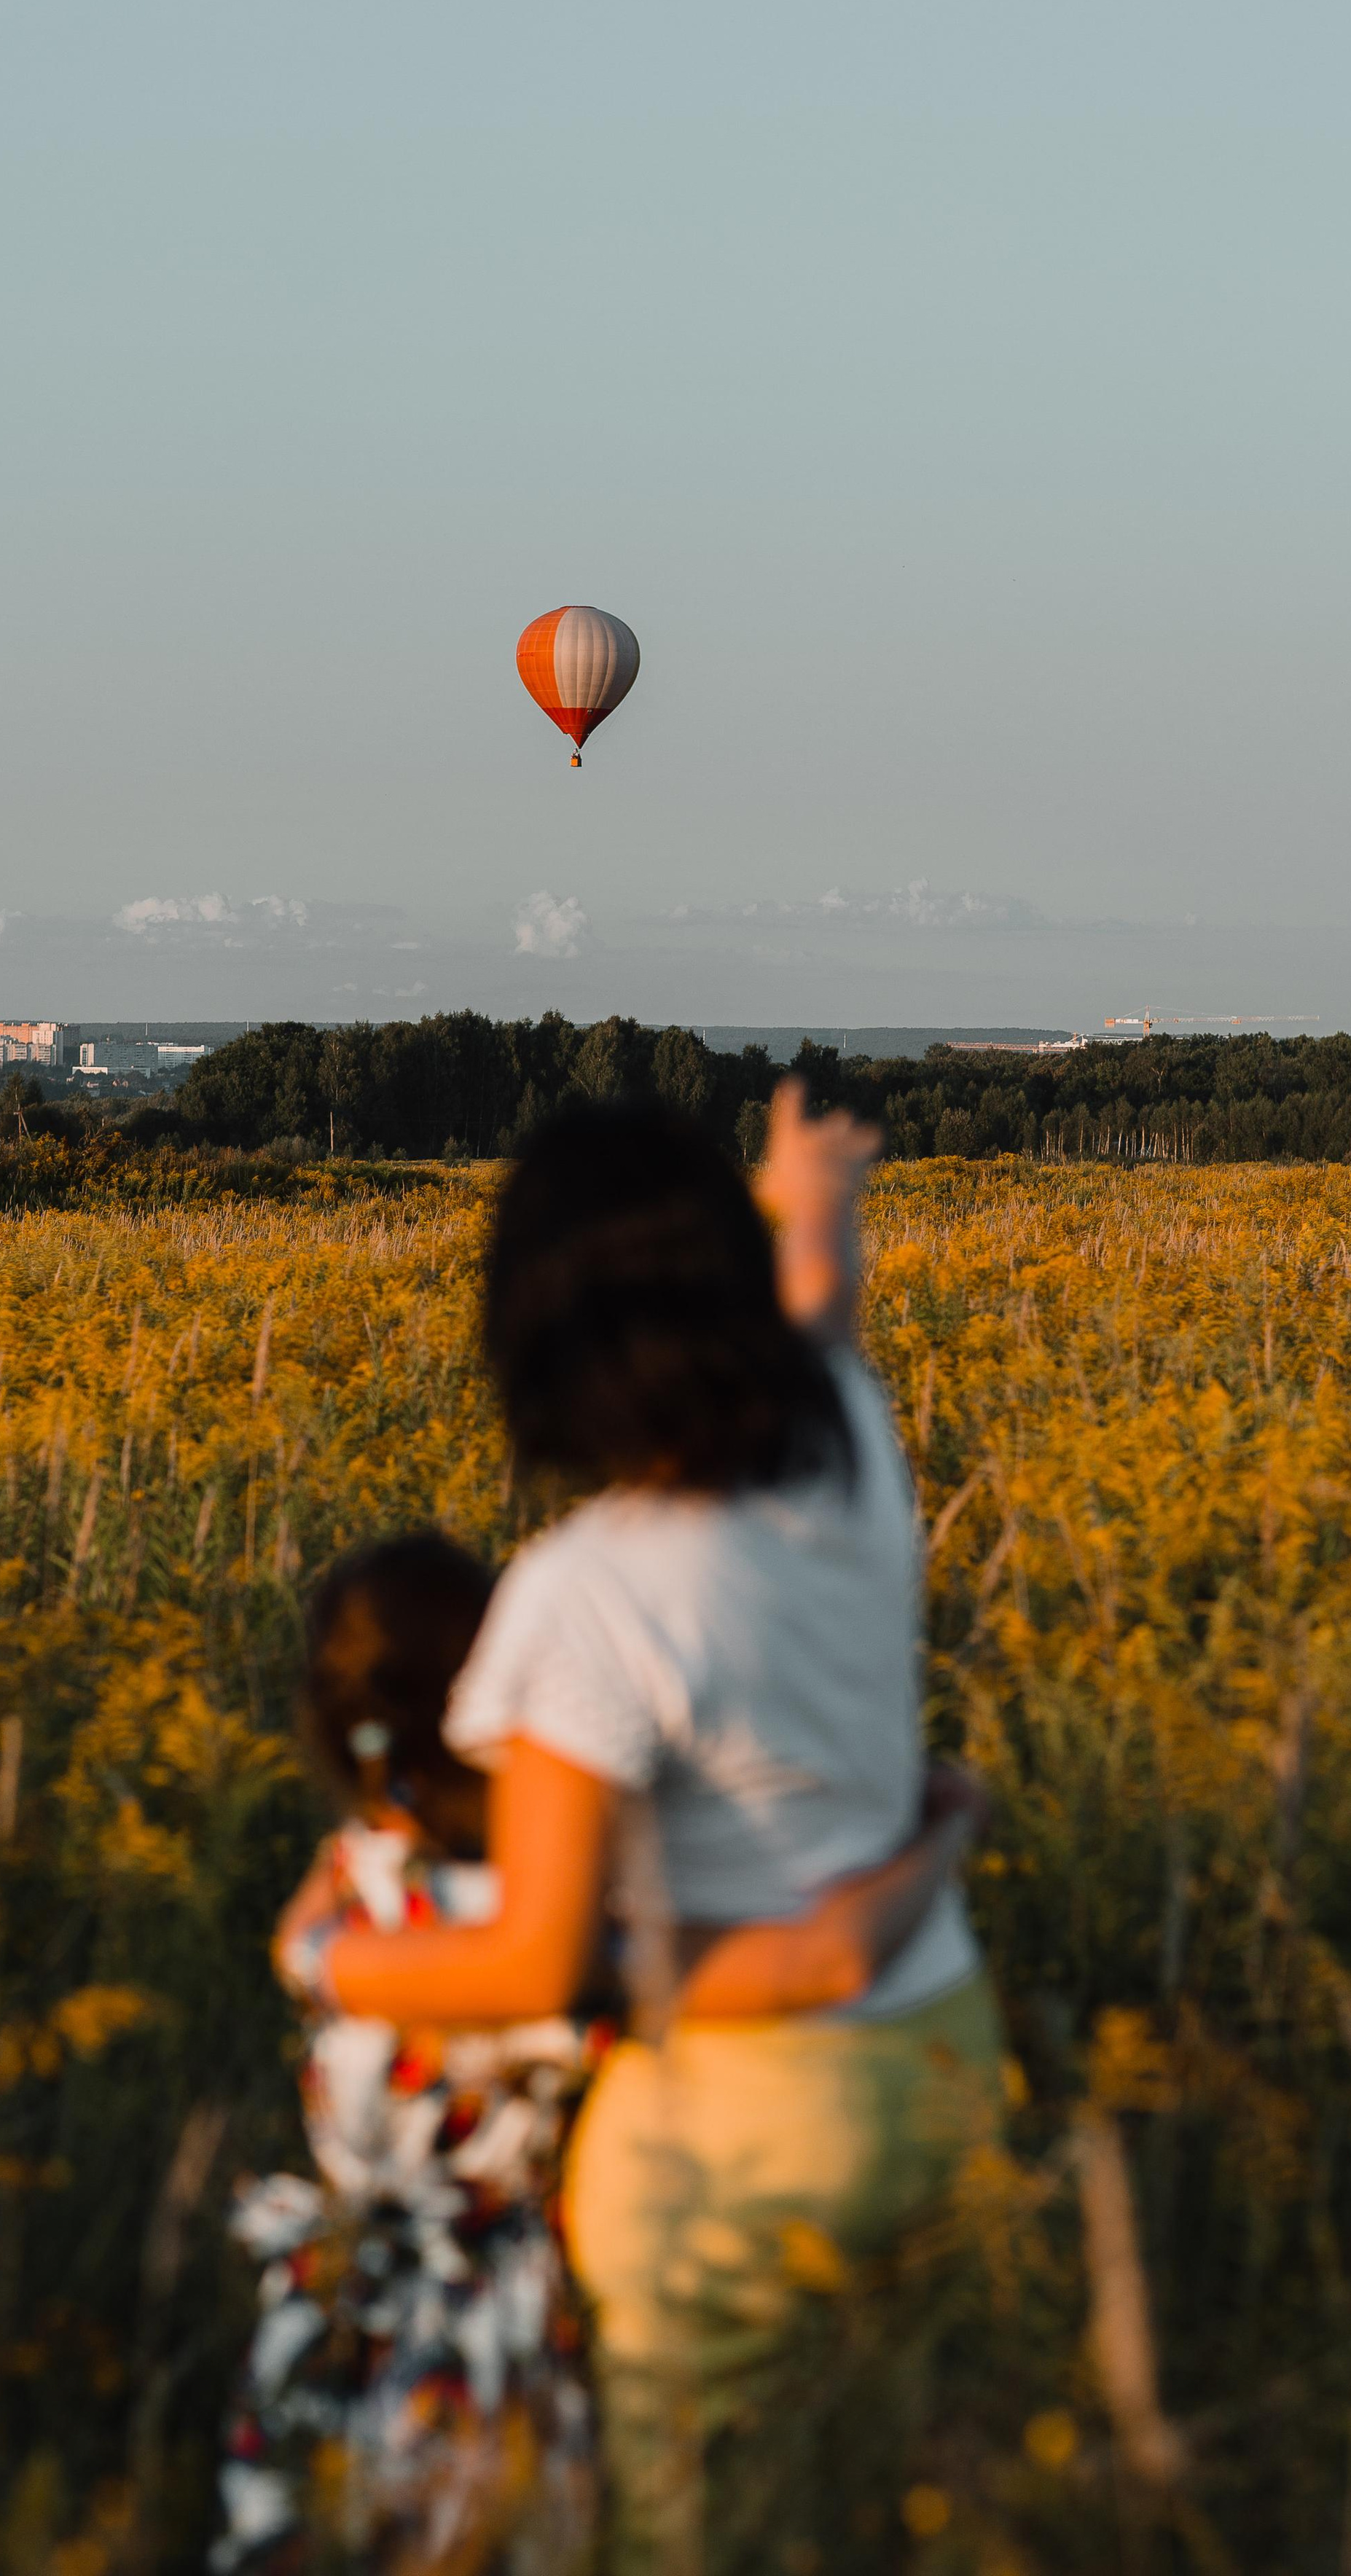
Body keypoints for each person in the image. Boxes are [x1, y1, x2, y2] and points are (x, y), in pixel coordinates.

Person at [275, 1084, 1000, 2572]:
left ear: (536, 1332)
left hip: (732, 2135)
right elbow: (822, 1314)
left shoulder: (580, 1596)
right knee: (913, 2495)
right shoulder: (846, 1439)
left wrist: (329, 1966)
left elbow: (537, 1963)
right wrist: (815, 1195)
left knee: (704, 2532)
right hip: (942, 2050)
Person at [244, 1519, 979, 2575]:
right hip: (491, 2334)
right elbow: (826, 1959)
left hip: (332, 2312)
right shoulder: (535, 1939)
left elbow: (331, 1881)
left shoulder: (346, 1904)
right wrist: (944, 1829)